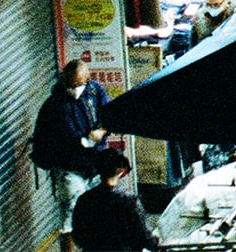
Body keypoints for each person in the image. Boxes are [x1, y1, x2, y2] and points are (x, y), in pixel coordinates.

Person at [32, 60, 112, 252]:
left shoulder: (94, 91)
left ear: (87, 79)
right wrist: (88, 139)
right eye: (70, 84)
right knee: (70, 215)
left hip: (95, 165)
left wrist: (103, 130)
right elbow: (69, 138)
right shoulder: (56, 105)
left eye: (78, 84)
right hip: (69, 168)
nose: (74, 89)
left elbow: (109, 113)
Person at [71, 147, 159, 251]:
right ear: (121, 171)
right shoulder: (128, 199)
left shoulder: (84, 199)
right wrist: (156, 242)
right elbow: (143, 236)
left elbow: (78, 236)